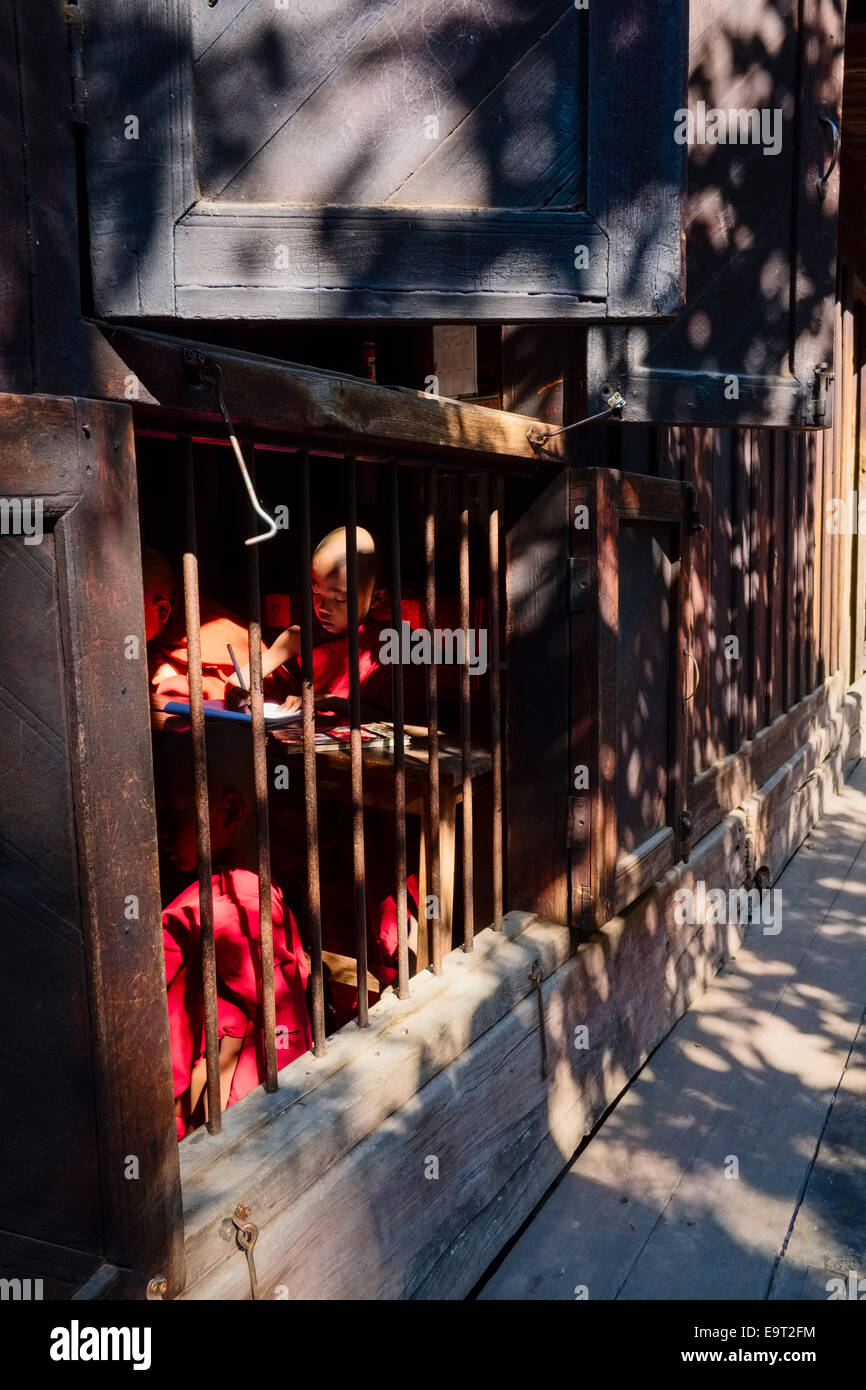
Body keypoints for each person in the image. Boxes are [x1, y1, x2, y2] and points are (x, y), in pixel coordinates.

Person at [156, 725, 312, 1136]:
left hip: (231, 1121)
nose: (161, 834)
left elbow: (256, 1031)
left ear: (230, 811)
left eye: (173, 816)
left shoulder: (231, 914)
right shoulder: (255, 891)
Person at [142, 545, 266, 706]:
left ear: (162, 610)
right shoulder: (163, 633)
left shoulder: (210, 632)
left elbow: (252, 692)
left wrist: (179, 680)